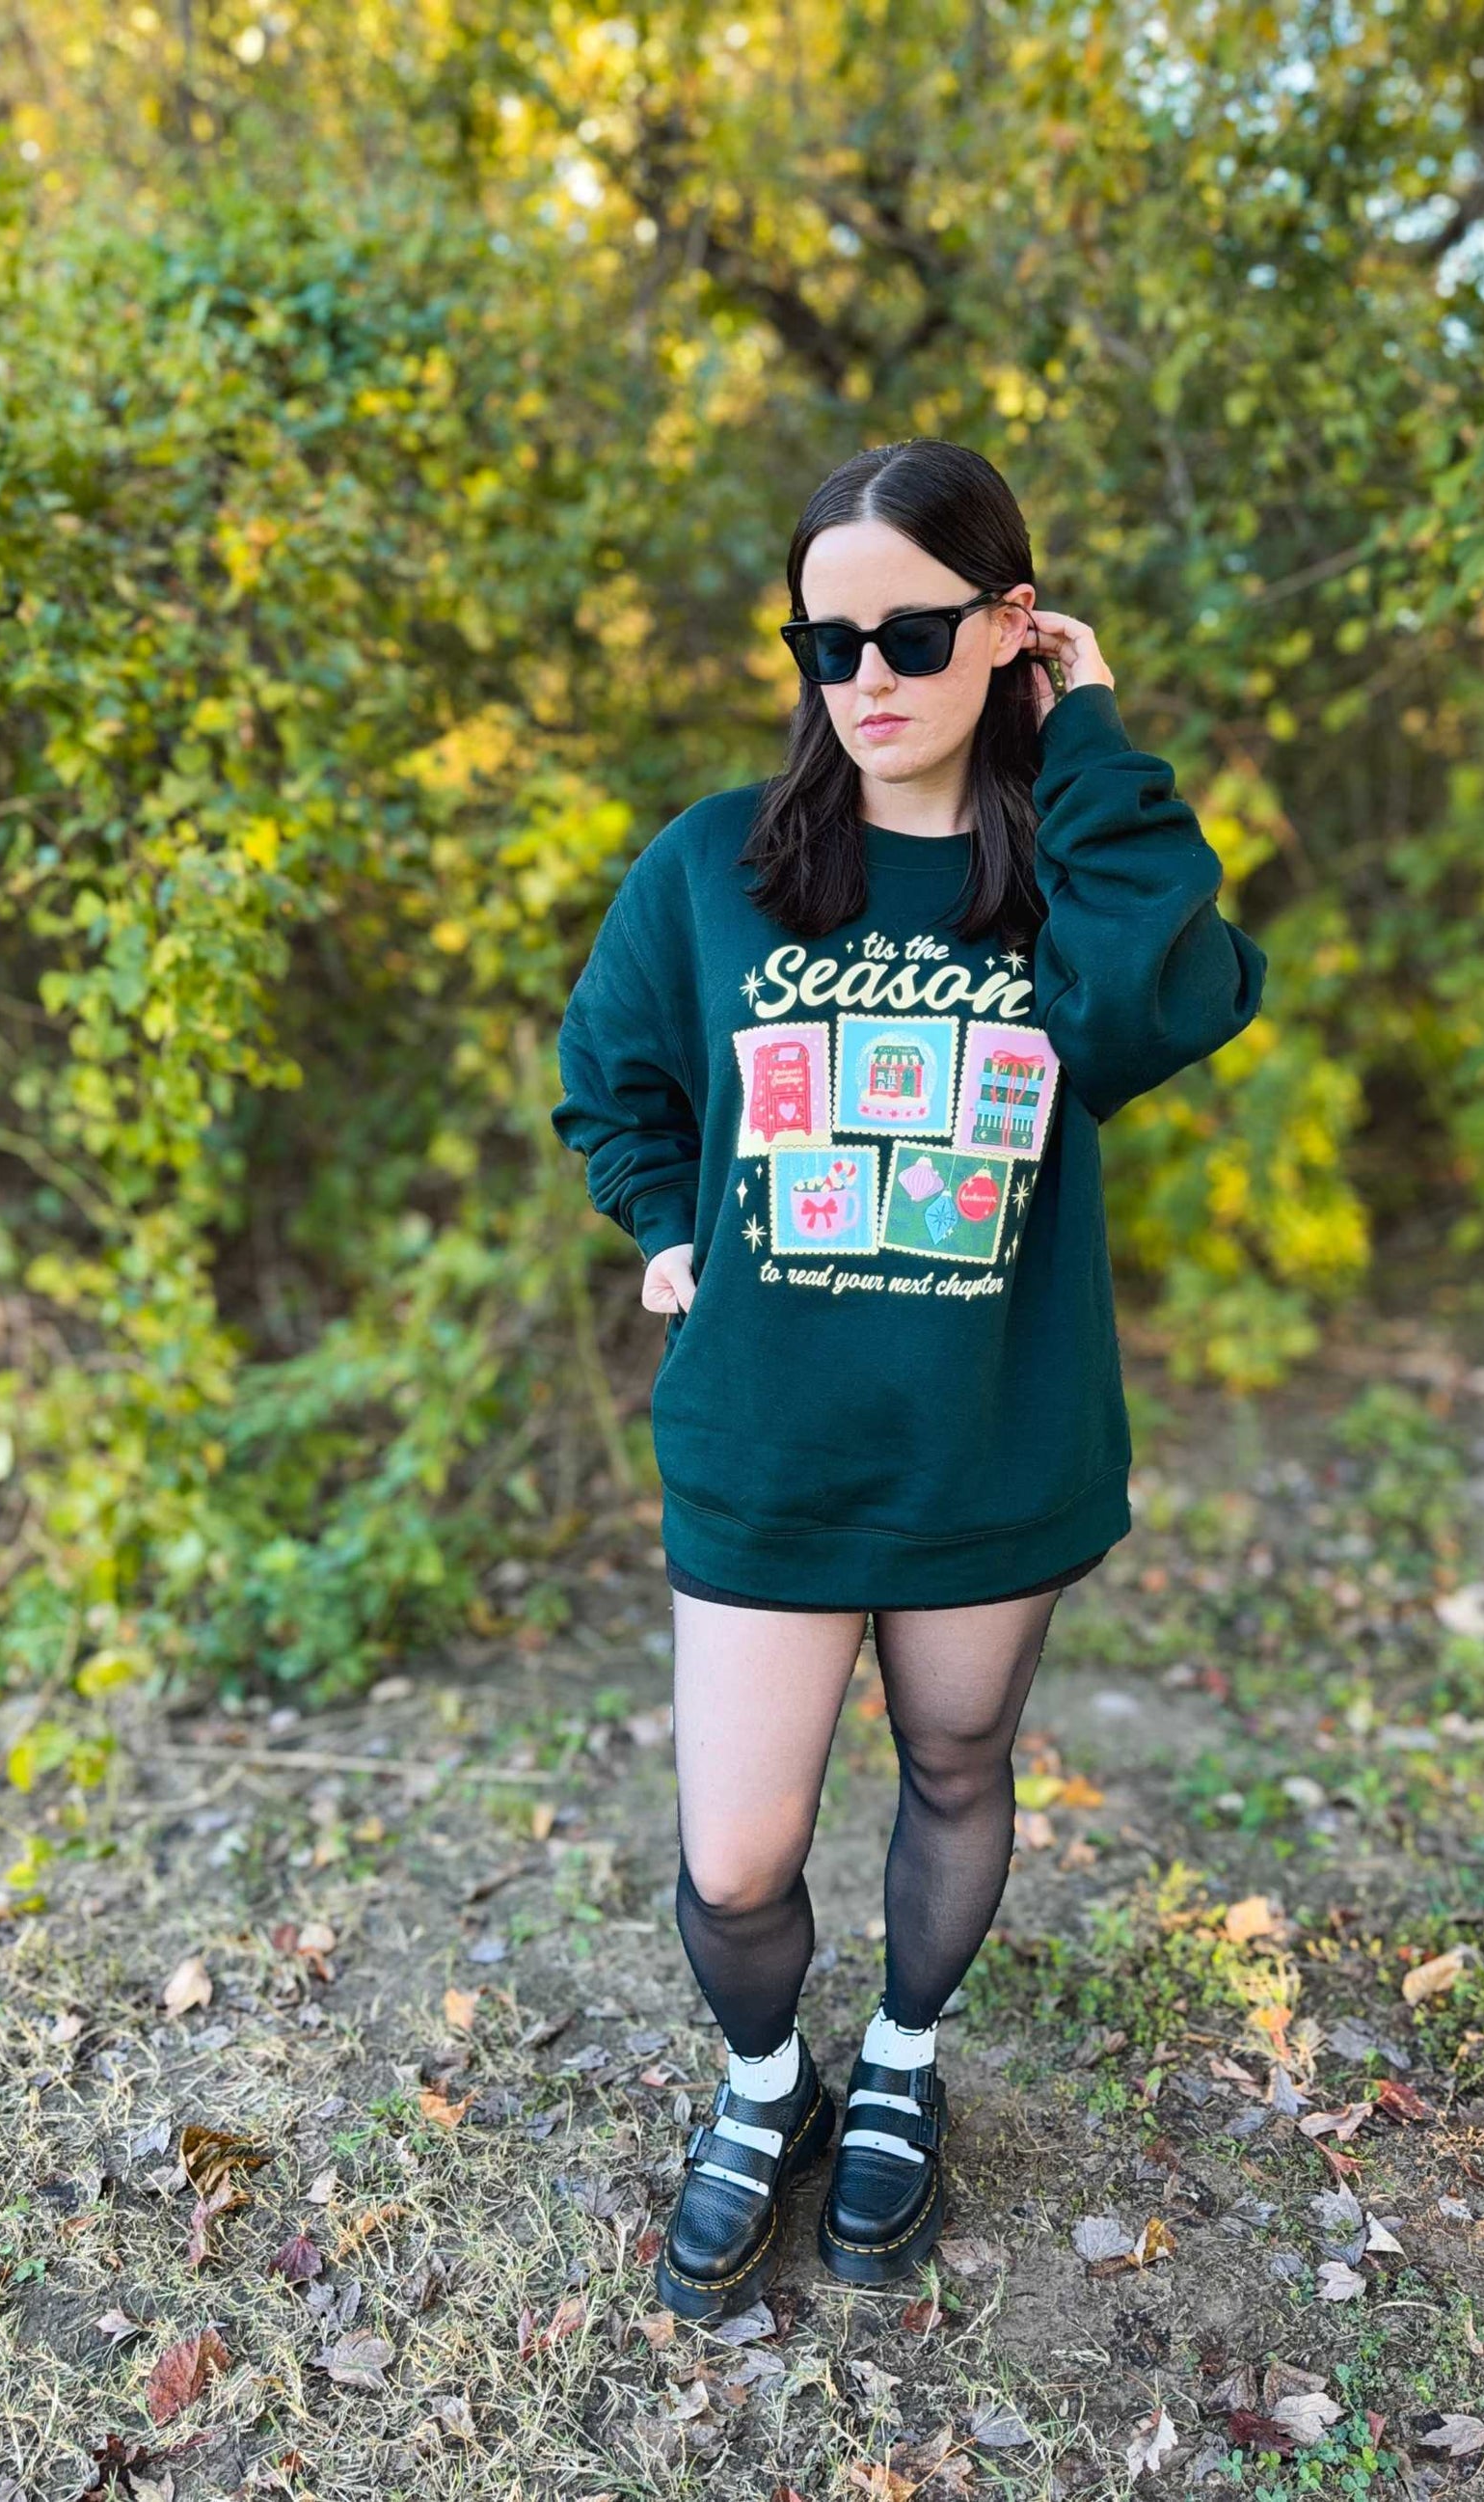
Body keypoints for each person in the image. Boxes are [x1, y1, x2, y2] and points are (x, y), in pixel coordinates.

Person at [551, 438, 1266, 2318]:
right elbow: (611, 1070)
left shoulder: (1066, 876)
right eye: (826, 642)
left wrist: (1087, 733)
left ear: (1008, 625)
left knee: (956, 1764)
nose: (865, 678)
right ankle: (762, 2081)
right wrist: (661, 1220)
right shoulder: (718, 864)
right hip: (768, 1438)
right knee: (736, 1856)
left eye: (915, 634)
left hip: (987, 1428)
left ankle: (899, 2063)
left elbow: (1167, 1002)